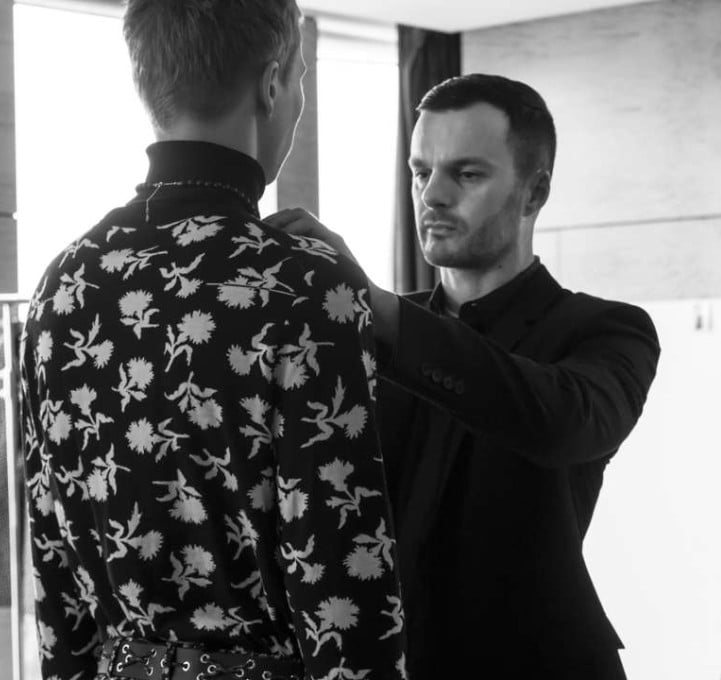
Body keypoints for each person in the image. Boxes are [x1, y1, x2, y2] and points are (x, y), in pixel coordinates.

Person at [17, 2, 406, 678]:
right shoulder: (302, 285)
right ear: (274, 80)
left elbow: (54, 573)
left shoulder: (66, 281)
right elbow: (343, 576)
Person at [267, 74, 660, 679]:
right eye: (422, 172)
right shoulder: (368, 331)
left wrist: (378, 308)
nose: (432, 196)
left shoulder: (608, 331)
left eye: (466, 175)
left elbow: (559, 421)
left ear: (535, 192)